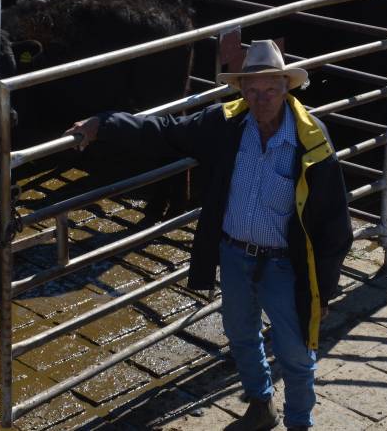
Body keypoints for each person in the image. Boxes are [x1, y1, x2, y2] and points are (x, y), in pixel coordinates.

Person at [65, 40, 352, 430]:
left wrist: (326, 286)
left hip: (285, 263)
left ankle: (300, 423)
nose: (261, 98)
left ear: (287, 88)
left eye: (270, 89)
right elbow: (166, 132)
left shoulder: (311, 141)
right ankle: (260, 403)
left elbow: (335, 223)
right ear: (241, 91)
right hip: (234, 255)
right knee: (240, 334)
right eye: (252, 90)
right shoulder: (226, 124)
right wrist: (106, 124)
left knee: (296, 351)